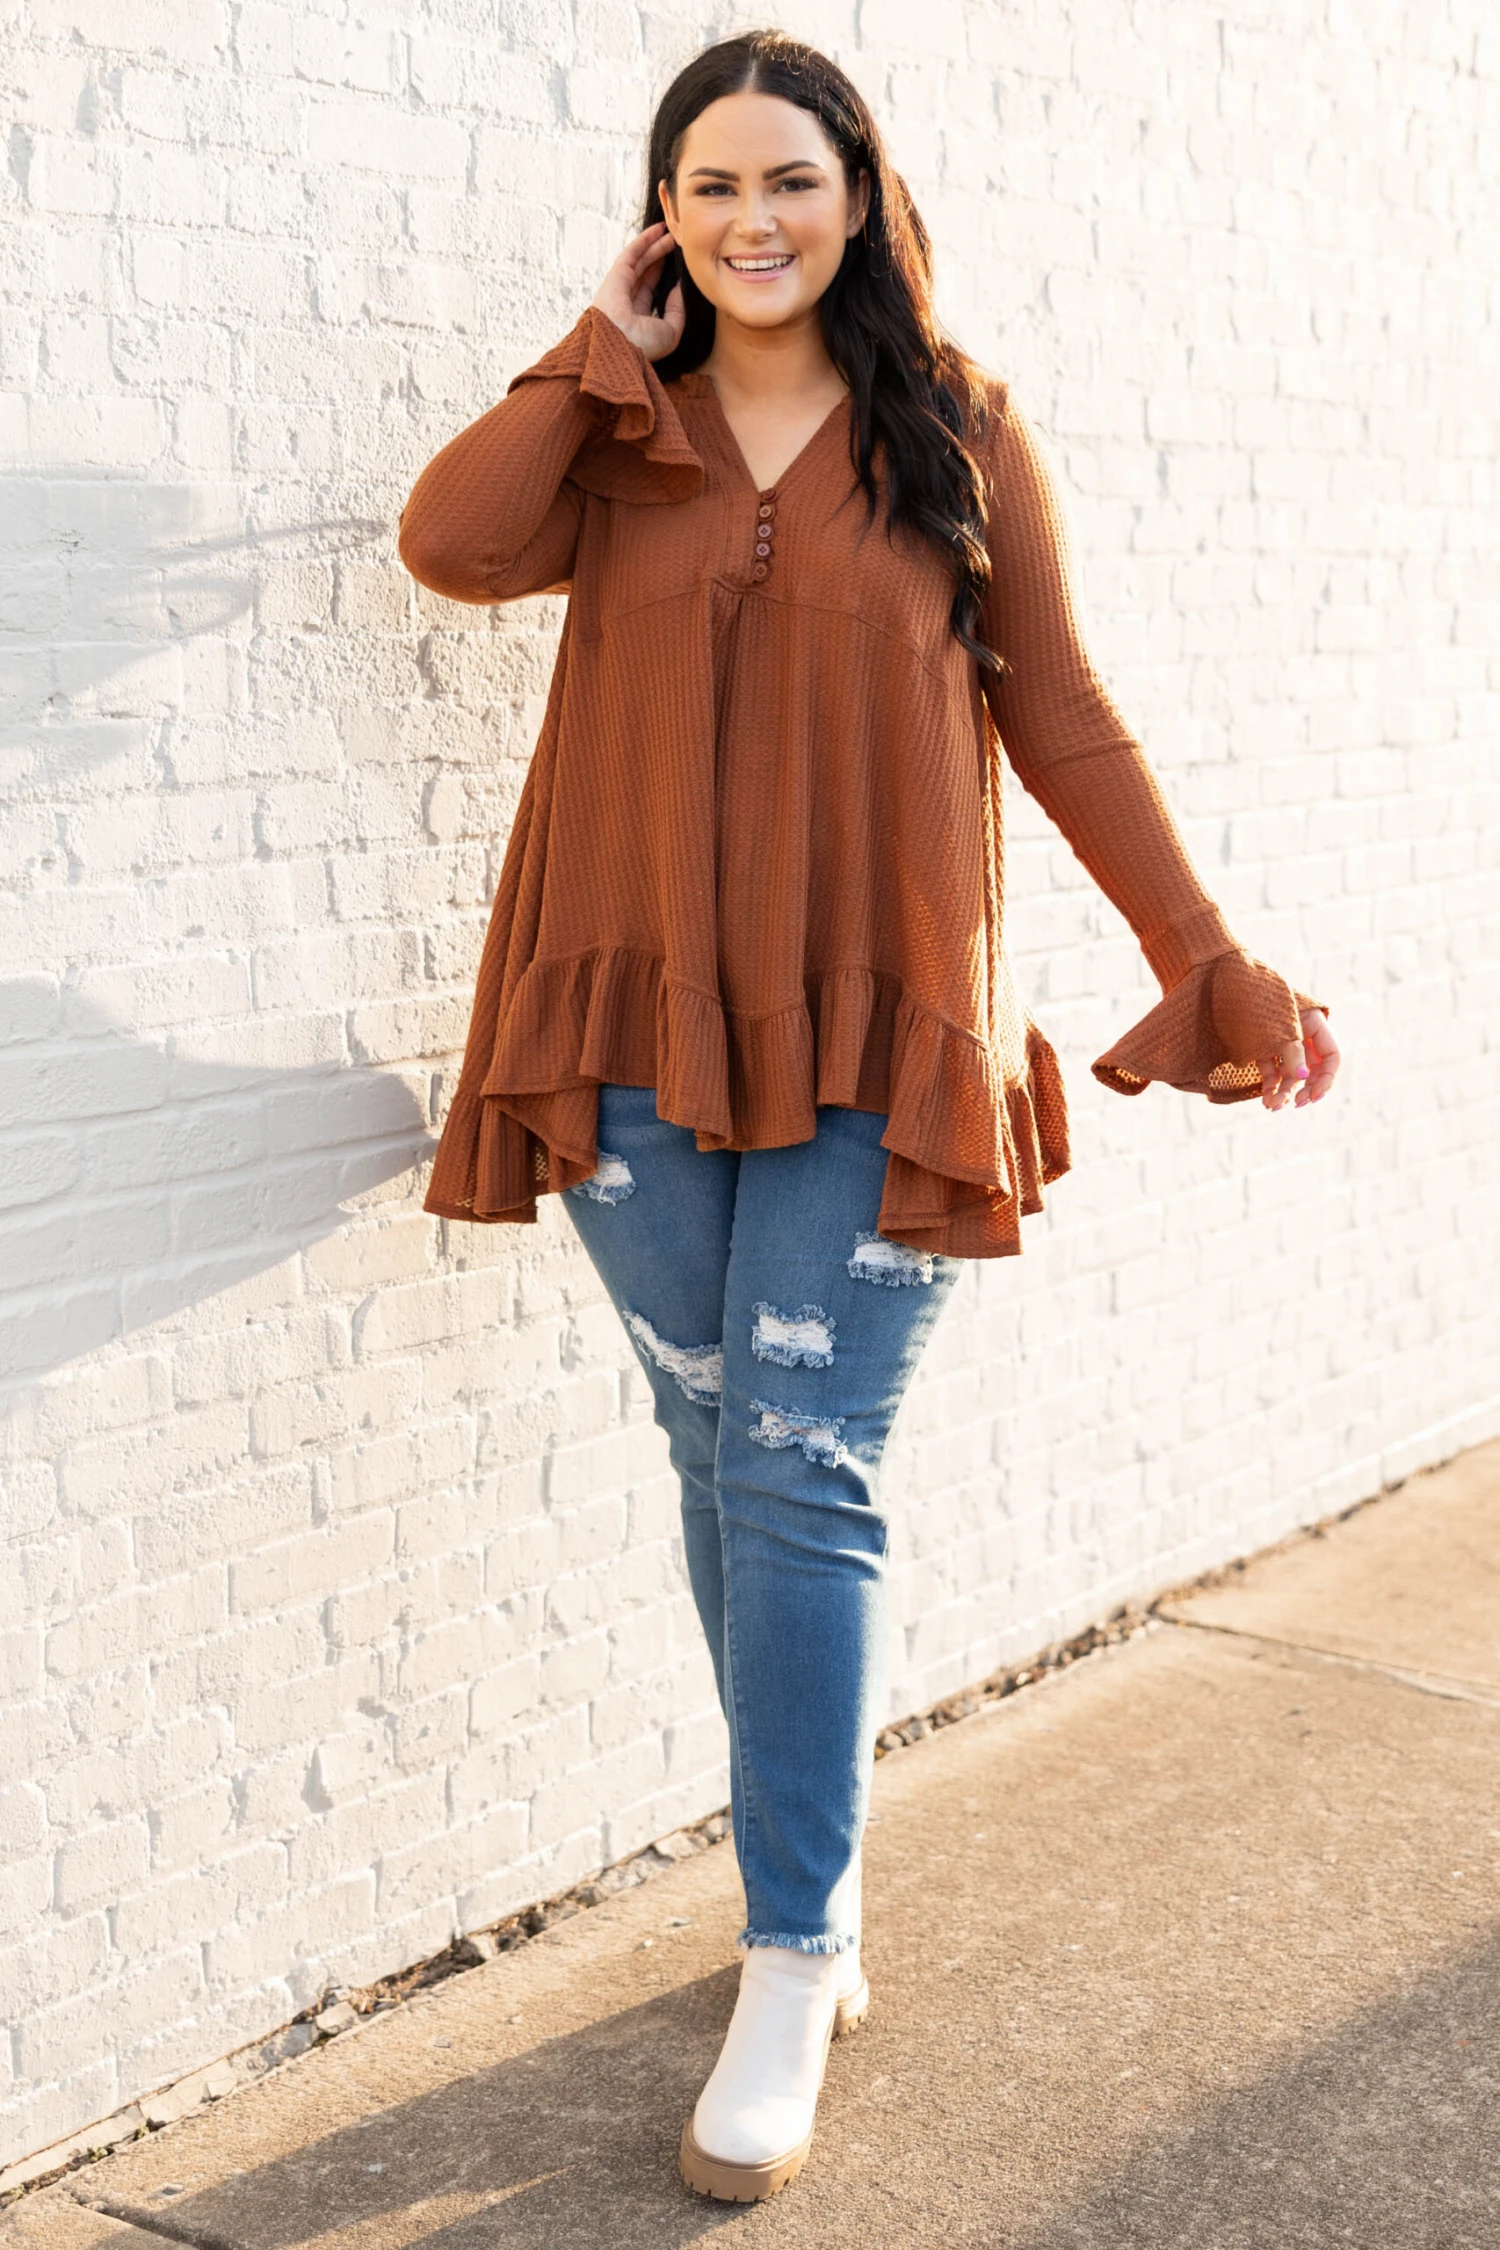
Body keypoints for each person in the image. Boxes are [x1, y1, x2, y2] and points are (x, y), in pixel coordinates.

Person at [397, 28, 1340, 2205]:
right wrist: (593, 349)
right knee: (716, 1449)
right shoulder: (613, 433)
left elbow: (1063, 714)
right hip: (632, 1021)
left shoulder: (958, 430)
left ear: (861, 199)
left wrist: (1202, 955)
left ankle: (793, 1950)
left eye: (790, 181)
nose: (754, 219)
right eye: (711, 186)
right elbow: (451, 544)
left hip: (880, 1030)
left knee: (800, 1465)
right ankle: (806, 1886)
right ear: (663, 219)